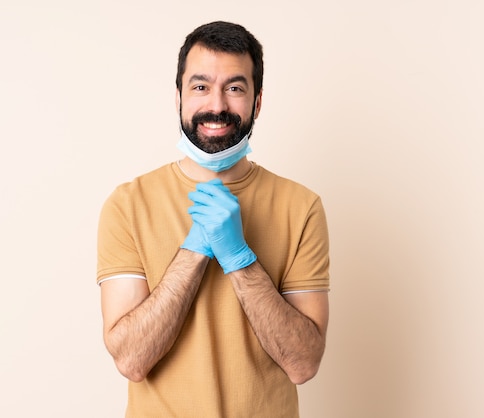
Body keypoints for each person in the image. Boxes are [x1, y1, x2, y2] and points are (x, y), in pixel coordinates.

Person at [97, 20, 330, 418]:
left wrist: (240, 258)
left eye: (235, 88)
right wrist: (194, 252)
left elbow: (304, 363)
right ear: (179, 98)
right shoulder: (127, 205)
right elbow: (131, 360)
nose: (217, 105)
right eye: (201, 86)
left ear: (257, 102)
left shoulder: (301, 206)